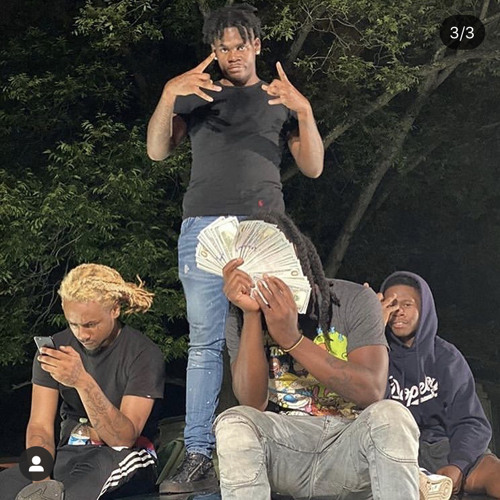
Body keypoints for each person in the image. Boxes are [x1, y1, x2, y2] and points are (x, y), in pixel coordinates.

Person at [147, 3, 324, 492]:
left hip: (263, 227)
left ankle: (279, 445)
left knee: (272, 331)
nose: (232, 55)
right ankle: (198, 453)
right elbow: (157, 151)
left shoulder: (279, 98)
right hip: (204, 228)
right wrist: (168, 94)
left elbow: (312, 167)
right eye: (223, 48)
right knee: (205, 341)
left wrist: (304, 109)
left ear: (257, 45)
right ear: (214, 50)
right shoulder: (197, 95)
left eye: (240, 46)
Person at [214, 211, 420, 499]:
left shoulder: (354, 300)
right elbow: (252, 402)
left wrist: (293, 340)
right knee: (233, 422)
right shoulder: (240, 317)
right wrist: (250, 315)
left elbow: (371, 390)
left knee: (392, 415)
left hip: (349, 444)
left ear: (298, 255)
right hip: (286, 448)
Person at [0, 263, 166, 500]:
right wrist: (41, 482)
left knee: (73, 493)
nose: (82, 334)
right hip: (70, 451)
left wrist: (82, 382)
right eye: (73, 324)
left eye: (90, 325)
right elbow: (40, 427)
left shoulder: (144, 353)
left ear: (115, 310)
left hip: (127, 456)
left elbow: (122, 439)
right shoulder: (54, 350)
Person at [379, 271, 500, 498]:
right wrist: (372, 328)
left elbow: (471, 421)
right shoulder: (375, 354)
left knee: (494, 470)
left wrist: (458, 465)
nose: (399, 311)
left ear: (423, 308)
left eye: (407, 304)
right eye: (391, 304)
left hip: (444, 447)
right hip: (395, 452)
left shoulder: (446, 357)